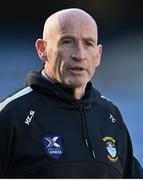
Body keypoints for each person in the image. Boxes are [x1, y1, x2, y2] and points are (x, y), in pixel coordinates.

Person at [0, 8, 142, 178]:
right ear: (42, 49)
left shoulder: (110, 116)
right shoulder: (12, 115)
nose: (80, 55)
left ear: (98, 55)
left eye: (88, 44)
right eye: (67, 42)